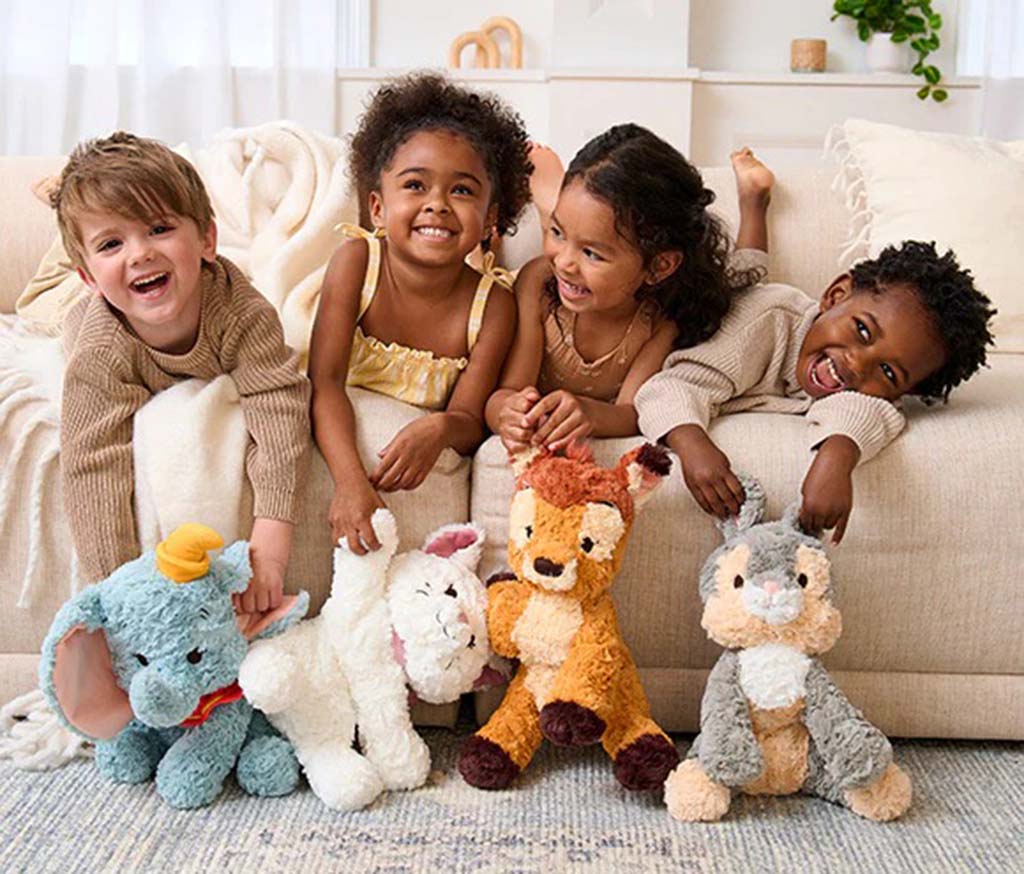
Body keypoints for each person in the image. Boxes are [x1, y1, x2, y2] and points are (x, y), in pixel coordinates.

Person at [56, 132, 311, 612]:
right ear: (90, 277)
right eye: (111, 243)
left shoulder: (241, 313)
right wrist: (116, 591)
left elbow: (279, 404)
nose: (140, 254)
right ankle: (62, 282)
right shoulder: (99, 352)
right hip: (91, 328)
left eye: (158, 229)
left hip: (210, 317)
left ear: (207, 240)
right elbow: (92, 467)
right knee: (63, 321)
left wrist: (271, 544)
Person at [636, 238, 996, 542]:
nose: (857, 364)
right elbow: (668, 387)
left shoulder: (866, 389)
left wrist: (837, 456)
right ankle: (754, 199)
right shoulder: (763, 323)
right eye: (863, 330)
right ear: (836, 295)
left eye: (888, 371)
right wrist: (692, 444)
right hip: (683, 312)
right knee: (746, 267)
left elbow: (870, 412)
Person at [308, 73, 531, 554]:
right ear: (377, 208)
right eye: (415, 185)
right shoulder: (356, 264)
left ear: (491, 219)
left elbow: (469, 419)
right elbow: (324, 383)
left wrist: (439, 427)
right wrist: (350, 482)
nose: (437, 205)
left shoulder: (493, 305)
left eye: (462, 191)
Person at [486, 125, 770, 454]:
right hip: (571, 258)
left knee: (746, 278)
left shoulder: (662, 315)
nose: (564, 263)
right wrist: (507, 412)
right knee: (567, 245)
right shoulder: (538, 281)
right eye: (557, 232)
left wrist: (589, 413)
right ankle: (553, 206)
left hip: (689, 277)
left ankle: (754, 199)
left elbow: (632, 412)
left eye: (592, 253)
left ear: (659, 267)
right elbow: (504, 393)